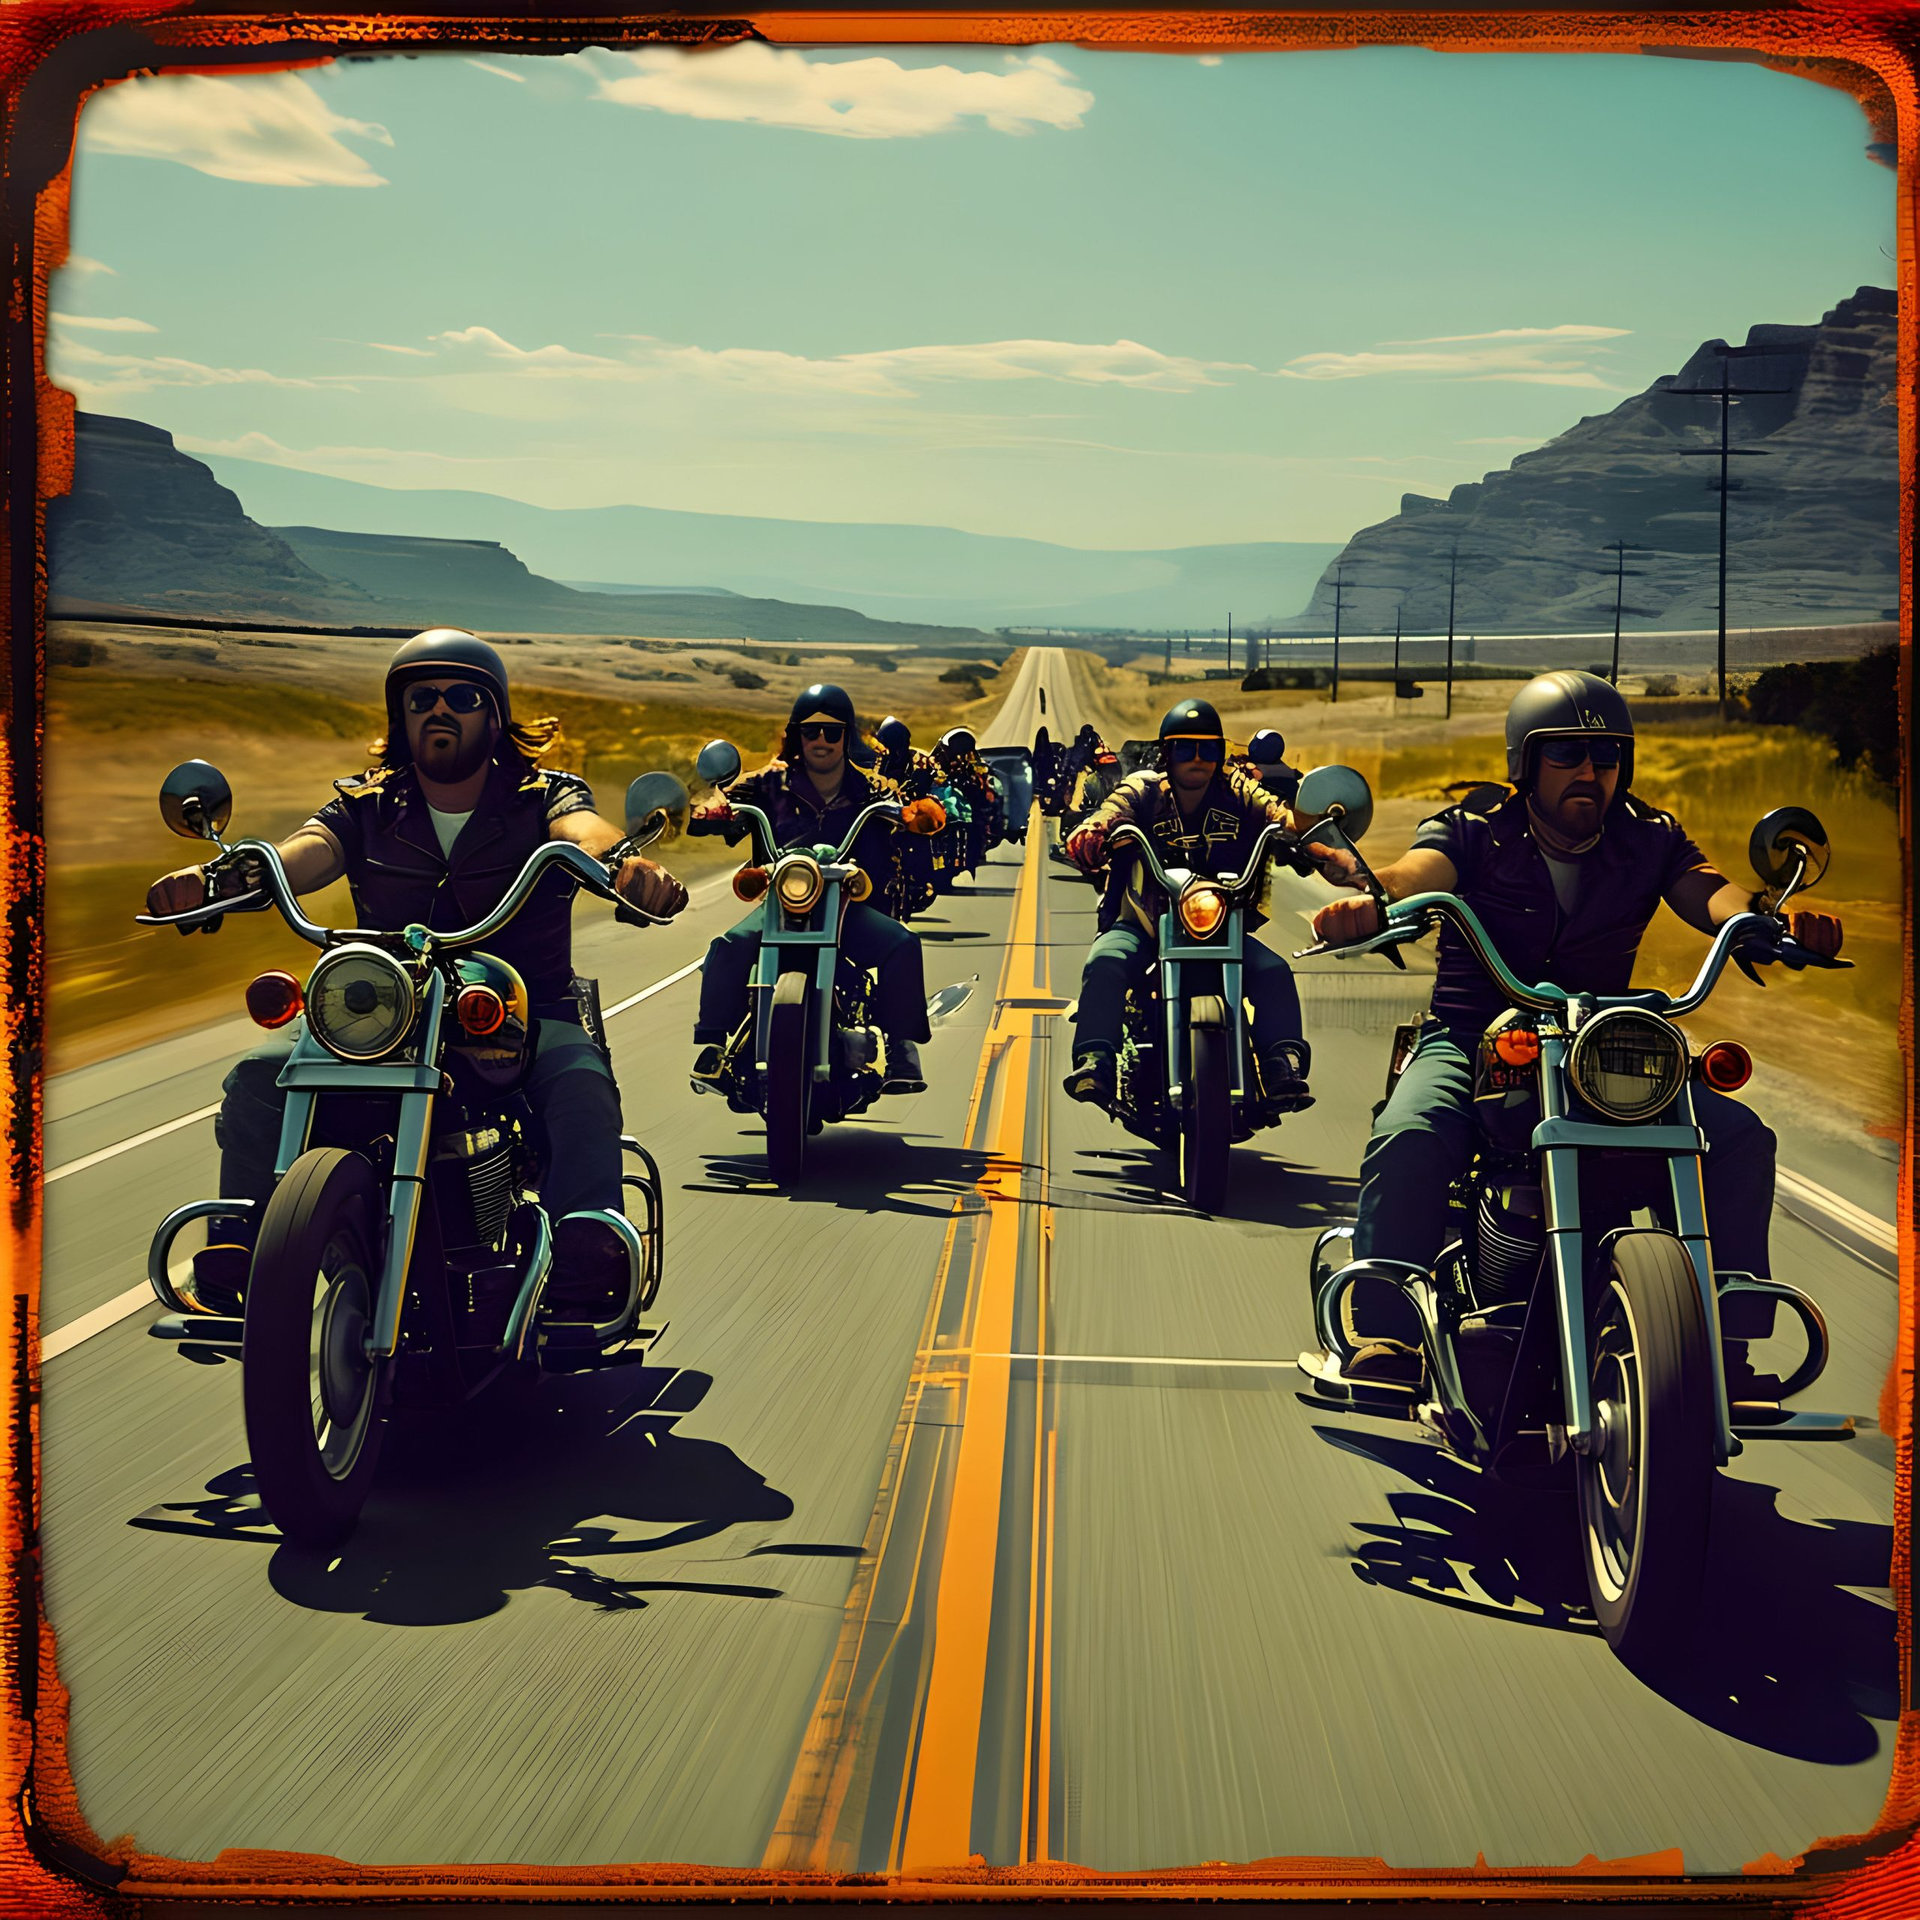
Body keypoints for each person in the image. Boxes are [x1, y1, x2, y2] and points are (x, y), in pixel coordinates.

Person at [1308, 669, 1844, 1389]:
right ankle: (1387, 1334)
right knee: (1412, 1130)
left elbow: (1711, 893)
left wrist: (1770, 922)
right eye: (1566, 754)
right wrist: (1377, 902)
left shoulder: (1650, 838)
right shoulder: (1473, 829)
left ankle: (1726, 1346)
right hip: (1474, 1037)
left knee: (1738, 1137)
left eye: (1606, 755)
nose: (1590, 772)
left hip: (1601, 1049)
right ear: (1526, 763)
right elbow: (1417, 873)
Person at [145, 629, 689, 1316]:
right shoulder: (367, 803)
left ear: (494, 714)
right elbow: (305, 851)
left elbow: (582, 830)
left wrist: (621, 865)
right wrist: (225, 877)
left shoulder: (541, 795)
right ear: (399, 716)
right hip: (386, 1011)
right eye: (421, 697)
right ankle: (243, 1250)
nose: (440, 709)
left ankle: (587, 1258)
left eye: (462, 696)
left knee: (578, 1081)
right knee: (262, 1074)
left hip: (522, 1007)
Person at [1060, 697, 1313, 1116]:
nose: (1198, 758)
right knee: (1105, 962)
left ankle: (1280, 1064)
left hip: (1219, 927)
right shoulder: (1143, 789)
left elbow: (1281, 817)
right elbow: (1110, 811)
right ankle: (1095, 1060)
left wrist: (1319, 842)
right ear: (1167, 752)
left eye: (1208, 748)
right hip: (1145, 922)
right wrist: (1092, 832)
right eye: (1185, 748)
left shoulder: (1238, 790)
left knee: (1274, 971)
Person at [690, 683, 932, 1093]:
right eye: (810, 731)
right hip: (781, 905)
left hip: (845, 908)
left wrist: (915, 815)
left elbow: (907, 811)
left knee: (903, 943)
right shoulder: (769, 782)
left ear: (847, 736)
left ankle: (900, 1046)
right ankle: (714, 1045)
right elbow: (719, 802)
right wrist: (712, 806)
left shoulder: (871, 789)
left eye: (832, 731)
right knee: (728, 945)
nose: (821, 740)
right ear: (795, 735)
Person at [875, 716, 940, 921]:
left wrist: (924, 782)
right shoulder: (875, 759)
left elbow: (935, 775)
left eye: (898, 741)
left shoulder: (918, 759)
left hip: (909, 810)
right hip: (881, 810)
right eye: (889, 742)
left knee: (922, 831)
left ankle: (924, 880)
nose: (894, 748)